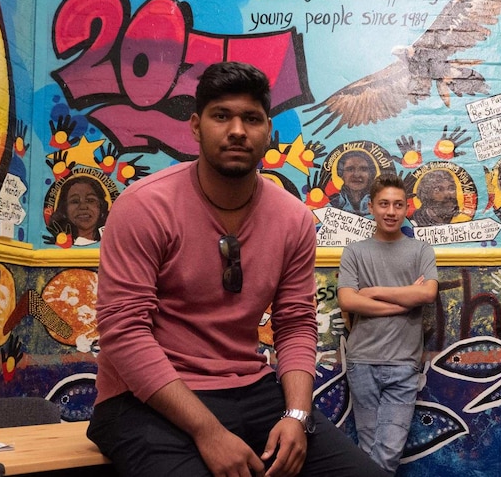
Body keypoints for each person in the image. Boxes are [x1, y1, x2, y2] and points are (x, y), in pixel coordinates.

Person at [87, 61, 390, 477]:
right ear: (196, 126)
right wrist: (208, 432)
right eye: (221, 116)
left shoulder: (293, 219)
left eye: (251, 119)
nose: (236, 130)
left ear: (268, 131)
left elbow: (296, 323)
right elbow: (124, 334)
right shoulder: (144, 206)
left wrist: (297, 415)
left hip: (251, 388)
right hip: (145, 400)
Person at [337, 173, 438, 473]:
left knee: (389, 450)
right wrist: (406, 300)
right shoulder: (354, 252)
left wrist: (374, 293)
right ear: (371, 207)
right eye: (383, 204)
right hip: (362, 362)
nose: (390, 212)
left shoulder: (421, 250)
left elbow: (429, 293)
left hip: (404, 364)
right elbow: (347, 301)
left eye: (397, 205)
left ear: (407, 208)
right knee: (368, 448)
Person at [50, 175, 109, 245]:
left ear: (101, 206)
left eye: (90, 200)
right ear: (64, 208)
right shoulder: (57, 243)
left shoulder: (111, 240)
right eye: (75, 201)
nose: (83, 207)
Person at [329, 151, 377, 217]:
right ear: (341, 174)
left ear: (371, 174)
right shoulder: (331, 206)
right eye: (350, 169)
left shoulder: (380, 205)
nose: (357, 175)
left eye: (363, 169)